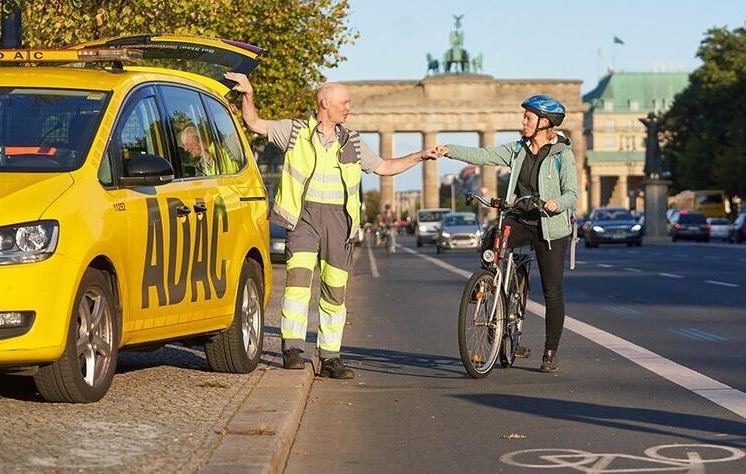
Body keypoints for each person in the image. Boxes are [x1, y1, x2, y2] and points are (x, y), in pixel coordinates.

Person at [225, 71, 441, 379]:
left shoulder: (352, 140)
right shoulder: (295, 131)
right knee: (298, 285)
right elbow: (255, 123)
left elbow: (384, 167)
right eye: (345, 102)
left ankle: (330, 358)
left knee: (334, 290)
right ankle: (292, 349)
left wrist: (420, 156)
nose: (349, 108)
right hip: (303, 218)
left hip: (339, 221)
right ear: (325, 103)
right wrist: (248, 94)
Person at [437, 95, 578, 373]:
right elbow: (485, 155)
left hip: (550, 225)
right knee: (492, 236)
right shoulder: (517, 150)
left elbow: (571, 193)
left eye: (528, 117)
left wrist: (555, 204)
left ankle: (550, 351)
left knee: (552, 290)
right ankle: (489, 286)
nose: (523, 121)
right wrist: (447, 149)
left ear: (544, 122)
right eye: (524, 117)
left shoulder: (563, 155)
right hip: (521, 218)